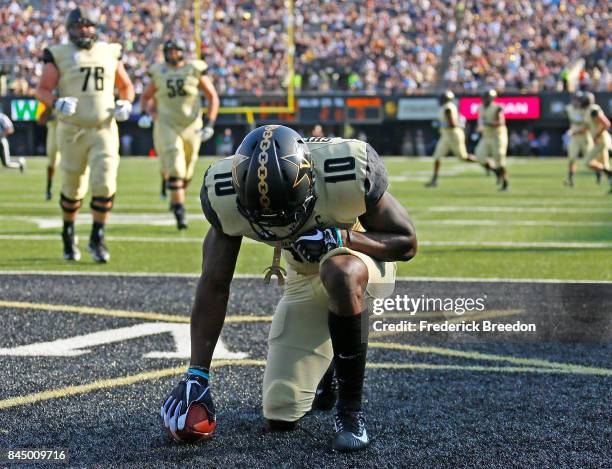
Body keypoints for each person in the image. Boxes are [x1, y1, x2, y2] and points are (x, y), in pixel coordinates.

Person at [160, 125, 417, 452]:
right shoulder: (223, 192)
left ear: (310, 181)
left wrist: (342, 238)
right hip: (301, 276)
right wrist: (197, 374)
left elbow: (406, 243)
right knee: (280, 413)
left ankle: (350, 413)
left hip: (361, 264)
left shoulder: (346, 169)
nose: (274, 223)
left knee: (339, 272)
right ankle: (326, 368)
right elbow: (214, 284)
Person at [35, 7, 135, 262]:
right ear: (70, 29)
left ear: (95, 27)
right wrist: (55, 103)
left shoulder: (109, 51)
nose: (84, 30)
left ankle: (96, 238)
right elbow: (43, 89)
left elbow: (125, 86)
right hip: (71, 130)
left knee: (105, 183)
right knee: (73, 187)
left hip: (104, 128)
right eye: (79, 26)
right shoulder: (58, 54)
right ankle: (68, 234)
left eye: (88, 25)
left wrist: (126, 102)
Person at [138, 39, 219, 229]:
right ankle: (179, 211)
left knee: (188, 171)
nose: (172, 54)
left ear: (182, 51)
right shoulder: (159, 71)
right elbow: (146, 96)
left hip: (192, 125)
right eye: (169, 51)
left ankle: (175, 197)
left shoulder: (194, 68)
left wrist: (210, 122)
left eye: (176, 50)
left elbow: (212, 96)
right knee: (176, 166)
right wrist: (145, 113)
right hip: (166, 124)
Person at [426, 90, 476, 187]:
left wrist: (439, 124)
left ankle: (484, 162)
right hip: (446, 136)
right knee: (437, 157)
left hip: (453, 135)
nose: (440, 100)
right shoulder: (446, 107)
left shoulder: (448, 108)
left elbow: (452, 124)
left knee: (463, 157)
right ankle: (434, 180)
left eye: (442, 98)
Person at [474, 89, 509, 191]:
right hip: (486, 136)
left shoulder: (497, 108)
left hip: (497, 136)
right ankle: (496, 172)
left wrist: (487, 123)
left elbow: (500, 122)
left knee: (499, 158)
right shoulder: (480, 107)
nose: (485, 99)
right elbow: (480, 122)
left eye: (487, 97)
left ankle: (505, 183)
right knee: (479, 157)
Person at [581, 92, 612, 192]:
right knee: (605, 164)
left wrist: (597, 135)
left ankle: (608, 172)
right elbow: (587, 126)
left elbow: (606, 123)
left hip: (601, 139)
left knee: (587, 162)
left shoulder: (593, 109)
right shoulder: (587, 111)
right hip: (598, 140)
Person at [564, 91, 592, 187]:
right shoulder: (569, 109)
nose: (576, 101)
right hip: (575, 138)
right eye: (574, 99)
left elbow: (587, 126)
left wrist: (575, 131)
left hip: (585, 137)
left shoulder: (585, 110)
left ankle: (599, 173)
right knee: (572, 159)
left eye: (577, 99)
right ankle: (570, 179)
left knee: (590, 161)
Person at [36, 106, 61, 199]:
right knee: (52, 162)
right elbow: (40, 119)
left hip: (70, 129)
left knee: (72, 162)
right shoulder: (51, 95)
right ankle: (49, 188)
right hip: (54, 130)